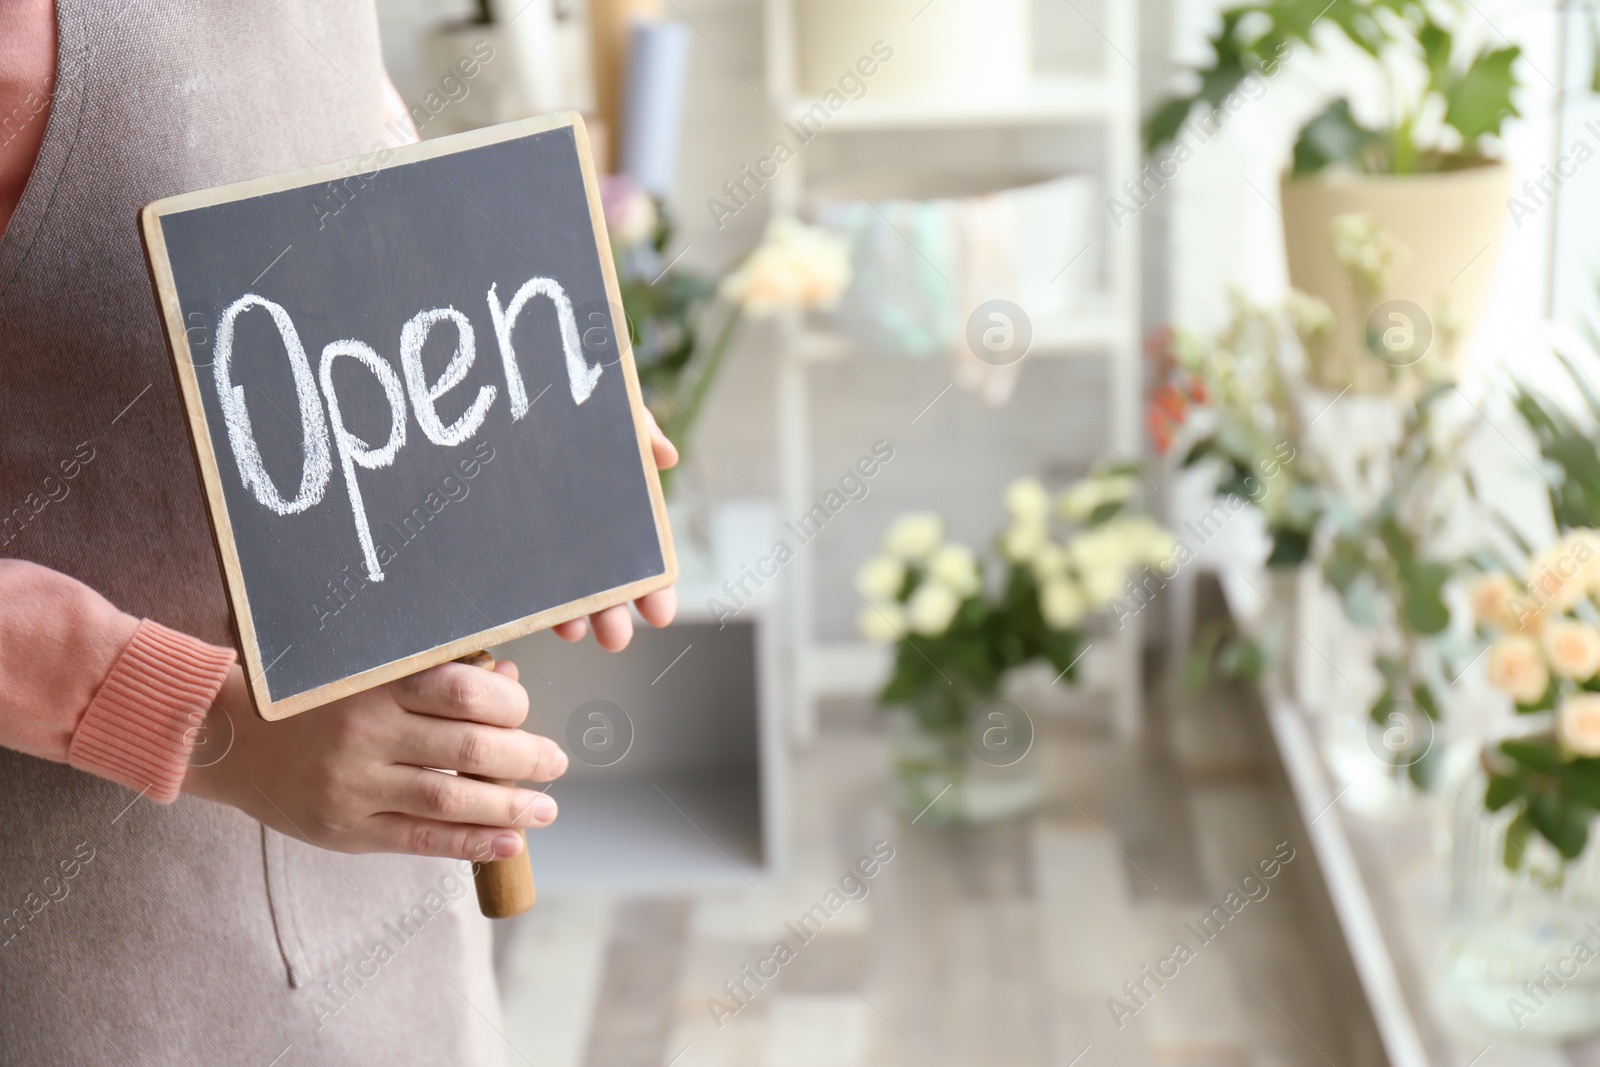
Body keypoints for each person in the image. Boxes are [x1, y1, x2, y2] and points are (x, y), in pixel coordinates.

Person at [0, 2, 674, 1062]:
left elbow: (349, 194)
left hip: (397, 922)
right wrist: (201, 722)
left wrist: (536, 366)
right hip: (88, 942)